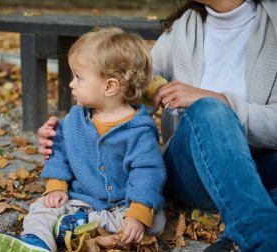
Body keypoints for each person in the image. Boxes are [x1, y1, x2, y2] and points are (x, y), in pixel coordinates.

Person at [38, 1, 277, 251]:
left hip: (264, 164)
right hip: (191, 171)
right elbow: (127, 84)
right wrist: (71, 132)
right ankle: (261, 238)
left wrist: (224, 100)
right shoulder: (183, 27)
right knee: (210, 111)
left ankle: (239, 239)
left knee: (212, 105)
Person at [0, 27, 167, 252]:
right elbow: (58, 150)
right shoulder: (75, 118)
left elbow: (148, 172)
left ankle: (78, 226)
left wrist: (138, 214)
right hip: (78, 198)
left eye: (79, 77)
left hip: (122, 205)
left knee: (153, 221)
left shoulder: (139, 130)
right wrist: (56, 185)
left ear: (110, 86)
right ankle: (37, 241)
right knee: (41, 208)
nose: (71, 83)